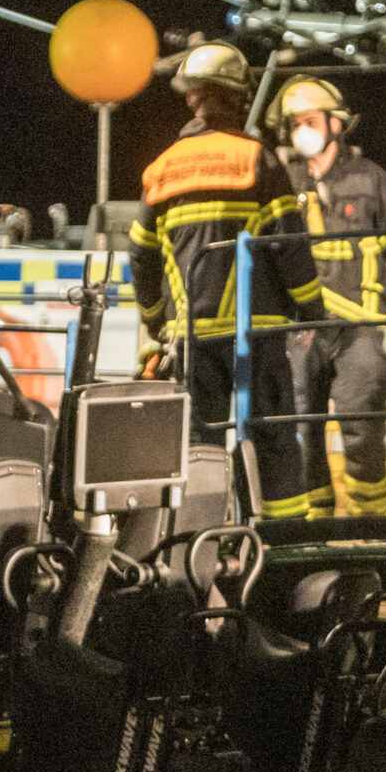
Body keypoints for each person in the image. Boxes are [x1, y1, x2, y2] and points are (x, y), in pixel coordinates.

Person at [129, 42, 329, 519]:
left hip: (189, 339)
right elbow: (289, 246)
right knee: (274, 437)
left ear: (190, 97)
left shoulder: (161, 168)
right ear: (238, 95)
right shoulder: (256, 159)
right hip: (254, 336)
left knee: (199, 444)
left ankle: (200, 542)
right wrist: (310, 311)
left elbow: (140, 255)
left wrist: (157, 321)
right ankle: (280, 548)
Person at [275, 76, 386, 516]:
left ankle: (369, 524)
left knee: (360, 415)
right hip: (301, 328)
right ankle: (314, 526)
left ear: (336, 125)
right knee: (301, 427)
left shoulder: (369, 179)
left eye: (310, 121)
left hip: (358, 328)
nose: (303, 131)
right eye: (295, 124)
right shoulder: (282, 181)